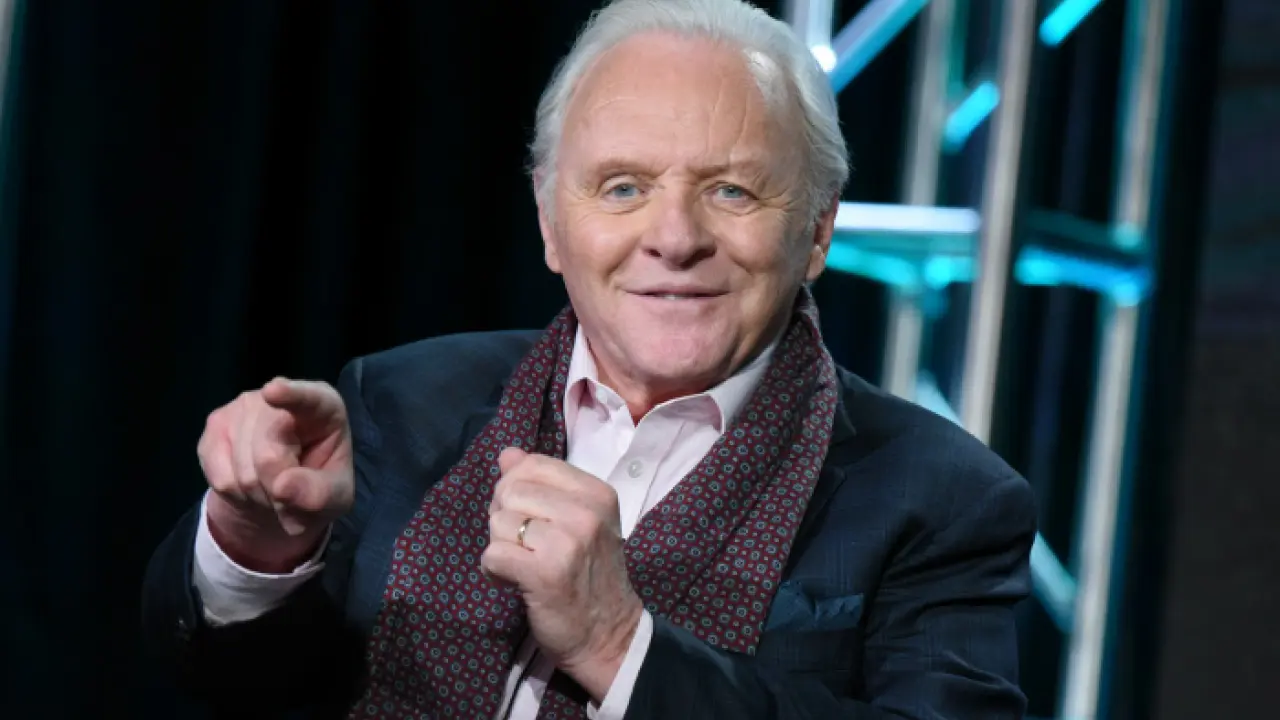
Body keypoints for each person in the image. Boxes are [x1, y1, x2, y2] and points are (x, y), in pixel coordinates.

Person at [142, 0, 1036, 717]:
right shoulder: (402, 399)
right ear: (548, 218)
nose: (674, 238)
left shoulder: (945, 500)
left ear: (818, 228)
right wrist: (262, 549)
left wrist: (617, 643)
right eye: (623, 187)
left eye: (731, 190)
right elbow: (241, 685)